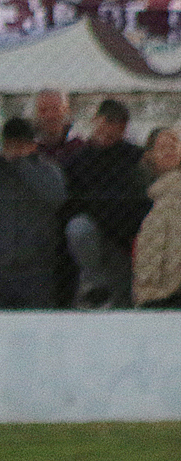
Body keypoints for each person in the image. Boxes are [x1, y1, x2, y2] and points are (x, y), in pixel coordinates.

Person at [0, 116, 67, 309]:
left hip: (37, 269)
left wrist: (22, 165)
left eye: (20, 144)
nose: (14, 150)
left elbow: (56, 198)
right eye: (10, 144)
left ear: (32, 145)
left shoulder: (48, 169)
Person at [63, 98, 151, 309]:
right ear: (96, 120)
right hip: (94, 243)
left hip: (126, 244)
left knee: (124, 307)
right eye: (108, 121)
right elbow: (69, 206)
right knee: (79, 228)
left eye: (118, 124)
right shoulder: (78, 160)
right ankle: (95, 284)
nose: (111, 128)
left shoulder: (136, 158)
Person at [133, 127, 181, 308]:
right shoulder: (141, 193)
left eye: (173, 146)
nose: (169, 151)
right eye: (162, 147)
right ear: (150, 154)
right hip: (152, 289)